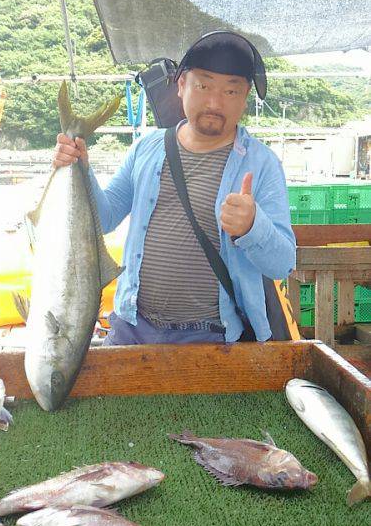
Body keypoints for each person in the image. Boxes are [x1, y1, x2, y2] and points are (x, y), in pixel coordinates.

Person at [53, 31, 296, 344]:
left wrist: (253, 227)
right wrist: (80, 170)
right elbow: (106, 216)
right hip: (131, 327)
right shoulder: (146, 148)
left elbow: (283, 263)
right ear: (181, 86)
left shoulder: (263, 165)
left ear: (245, 98)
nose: (214, 102)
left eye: (231, 91)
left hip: (209, 336)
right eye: (203, 85)